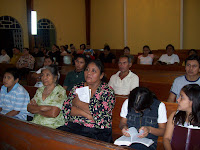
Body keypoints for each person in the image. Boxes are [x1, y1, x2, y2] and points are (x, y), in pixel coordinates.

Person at [58, 60, 116, 143]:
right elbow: (66, 109)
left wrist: (78, 103)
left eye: (93, 71)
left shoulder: (107, 91)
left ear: (101, 75)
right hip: (74, 127)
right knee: (54, 137)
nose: (89, 73)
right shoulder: (77, 87)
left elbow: (100, 115)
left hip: (97, 131)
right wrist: (88, 115)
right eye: (87, 69)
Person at [27, 65, 67, 129]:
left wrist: (37, 108)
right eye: (42, 75)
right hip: (36, 122)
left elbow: (53, 113)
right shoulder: (40, 90)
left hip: (53, 126)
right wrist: (43, 108)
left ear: (55, 78)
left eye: (47, 75)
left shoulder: (60, 91)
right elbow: (29, 108)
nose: (44, 78)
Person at [163, 84, 200, 150]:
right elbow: (166, 138)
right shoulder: (175, 116)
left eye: (182, 97)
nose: (178, 100)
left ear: (192, 101)